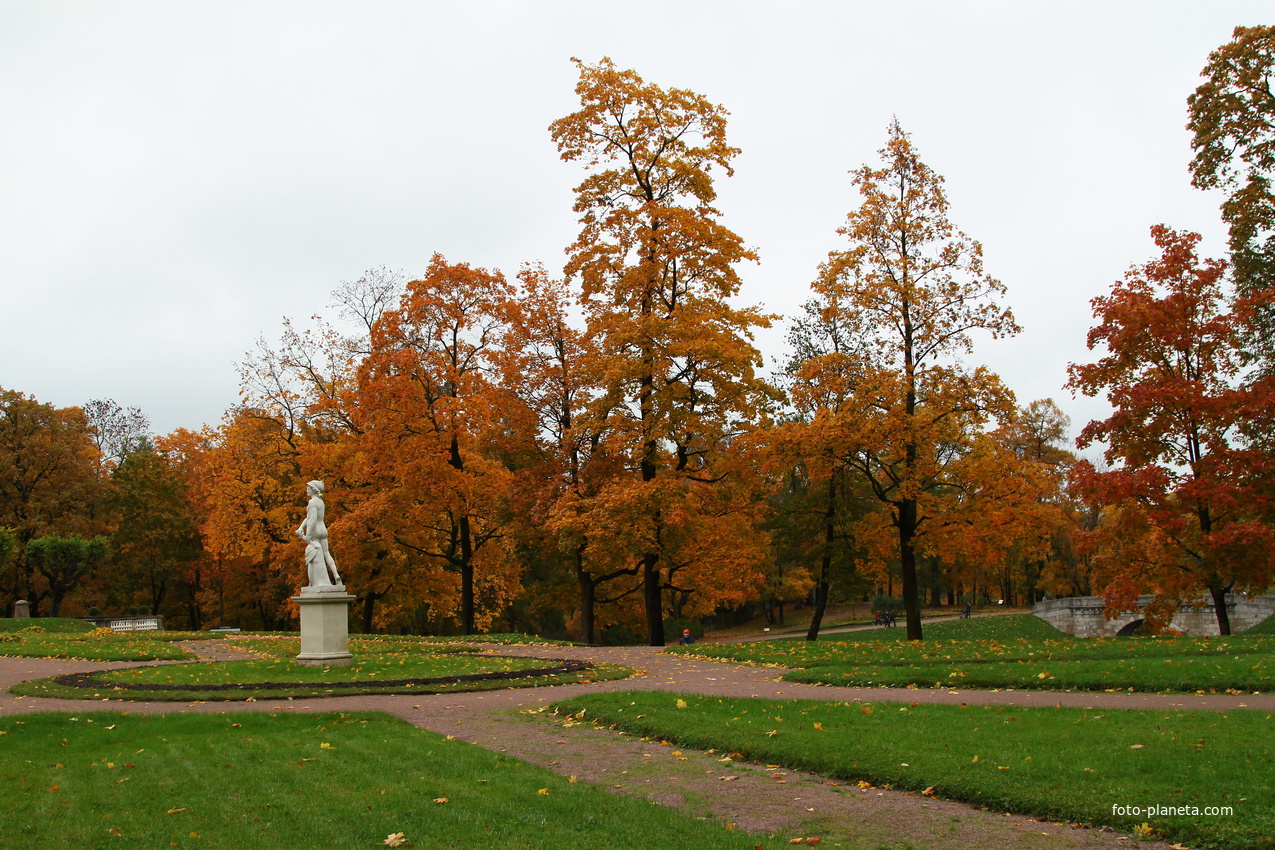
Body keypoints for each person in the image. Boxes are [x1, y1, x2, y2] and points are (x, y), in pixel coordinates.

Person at [296, 480, 342, 588]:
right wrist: (301, 527)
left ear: (313, 490)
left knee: (315, 554)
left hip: (315, 530)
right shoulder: (321, 502)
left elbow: (312, 519)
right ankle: (336, 575)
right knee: (326, 553)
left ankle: (316, 580)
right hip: (323, 529)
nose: (306, 491)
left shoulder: (312, 502)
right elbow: (308, 518)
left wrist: (308, 534)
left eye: (308, 489)